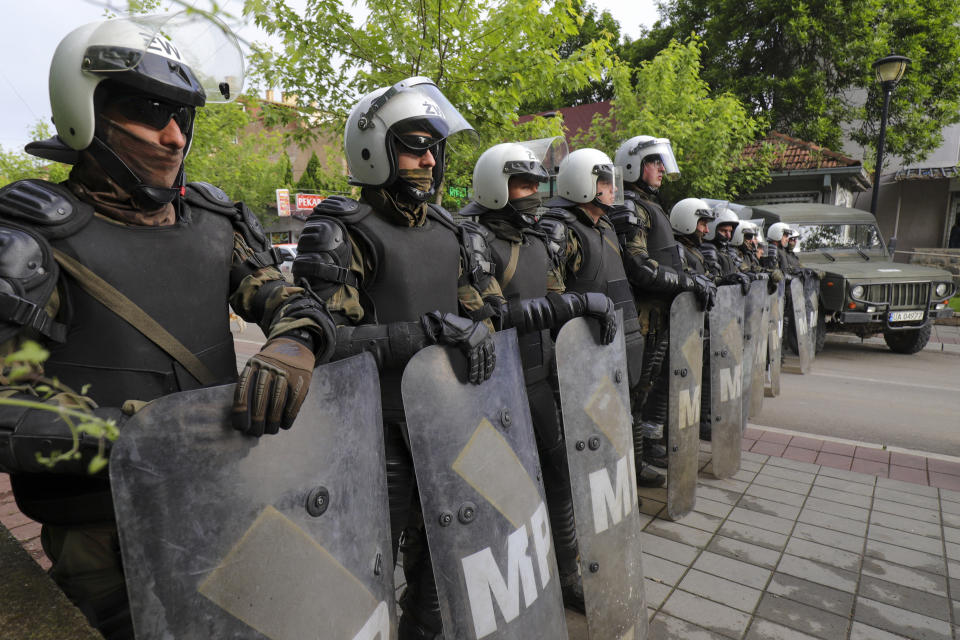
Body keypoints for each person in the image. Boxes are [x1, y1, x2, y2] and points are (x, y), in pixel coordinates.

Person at [0, 13, 336, 639]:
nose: (174, 137)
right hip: (102, 525)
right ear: (86, 108)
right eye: (149, 112)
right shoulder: (30, 242)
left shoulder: (214, 222)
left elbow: (288, 296)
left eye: (182, 116)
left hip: (225, 489)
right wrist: (123, 435)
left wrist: (294, 341)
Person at [292, 76, 499, 639]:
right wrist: (425, 332)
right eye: (414, 145)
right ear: (374, 148)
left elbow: (481, 311)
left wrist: (477, 328)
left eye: (435, 146)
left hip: (445, 420)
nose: (430, 159)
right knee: (366, 569)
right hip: (373, 435)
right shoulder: (339, 231)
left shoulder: (450, 229)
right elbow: (325, 339)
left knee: (440, 555)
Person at [458, 140, 618, 612]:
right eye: (521, 182)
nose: (532, 192)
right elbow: (495, 312)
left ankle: (564, 568)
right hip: (490, 386)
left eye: (535, 182)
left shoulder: (533, 241)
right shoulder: (471, 239)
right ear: (494, 186)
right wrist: (576, 303)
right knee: (495, 492)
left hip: (539, 377)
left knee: (559, 473)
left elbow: (554, 300)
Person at [541, 148, 665, 488]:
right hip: (579, 353)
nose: (614, 189)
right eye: (605, 182)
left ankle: (619, 486)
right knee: (583, 435)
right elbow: (552, 297)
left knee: (617, 421)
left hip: (614, 344)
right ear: (584, 184)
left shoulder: (606, 225)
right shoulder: (559, 229)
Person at [610, 137, 714, 472]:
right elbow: (639, 267)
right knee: (632, 394)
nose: (661, 170)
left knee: (646, 391)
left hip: (658, 317)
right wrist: (687, 281)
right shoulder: (631, 206)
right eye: (654, 163)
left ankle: (640, 457)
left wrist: (692, 277)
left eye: (660, 163)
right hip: (640, 317)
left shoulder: (650, 205)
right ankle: (629, 466)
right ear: (633, 165)